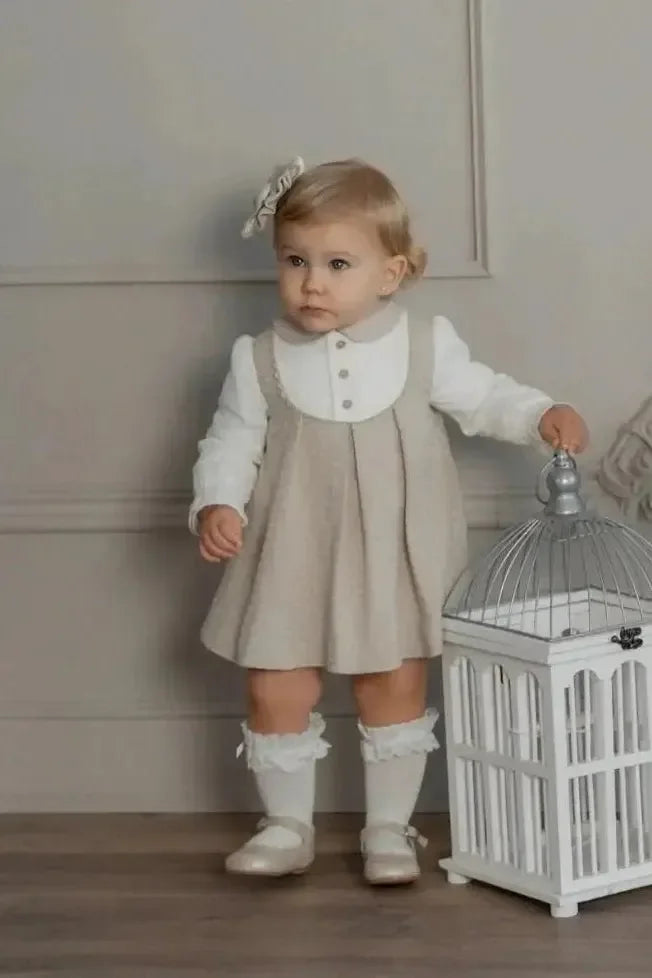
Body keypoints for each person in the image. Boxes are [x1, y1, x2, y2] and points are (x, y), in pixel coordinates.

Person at [189, 157, 589, 884]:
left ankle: (387, 828)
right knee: (276, 684)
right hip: (291, 547)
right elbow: (231, 440)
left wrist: (538, 414)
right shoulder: (260, 358)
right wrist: (218, 501)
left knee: (391, 683)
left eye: (338, 263)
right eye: (295, 261)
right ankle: (285, 824)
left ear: (391, 273)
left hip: (392, 550)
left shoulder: (423, 342)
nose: (313, 282)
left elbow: (482, 396)